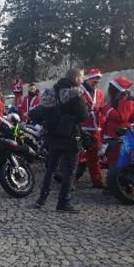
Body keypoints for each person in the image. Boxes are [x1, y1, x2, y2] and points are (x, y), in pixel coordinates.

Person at [35, 68, 89, 212]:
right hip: (71, 136)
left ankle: (41, 199)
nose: (83, 80)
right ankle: (63, 202)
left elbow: (40, 113)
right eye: (82, 77)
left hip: (53, 136)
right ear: (76, 78)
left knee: (50, 169)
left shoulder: (50, 93)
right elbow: (83, 115)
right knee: (69, 170)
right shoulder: (76, 94)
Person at [100, 76, 134, 168]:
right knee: (113, 159)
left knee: (116, 160)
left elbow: (122, 117)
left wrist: (106, 109)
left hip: (118, 135)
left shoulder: (125, 101)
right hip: (115, 134)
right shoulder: (121, 100)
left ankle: (115, 180)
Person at [78, 68, 105, 189]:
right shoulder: (79, 90)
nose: (97, 82)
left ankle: (97, 179)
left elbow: (101, 108)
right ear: (88, 79)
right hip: (82, 127)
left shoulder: (99, 93)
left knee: (95, 156)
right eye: (95, 79)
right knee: (78, 155)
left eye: (98, 80)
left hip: (96, 128)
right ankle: (72, 179)